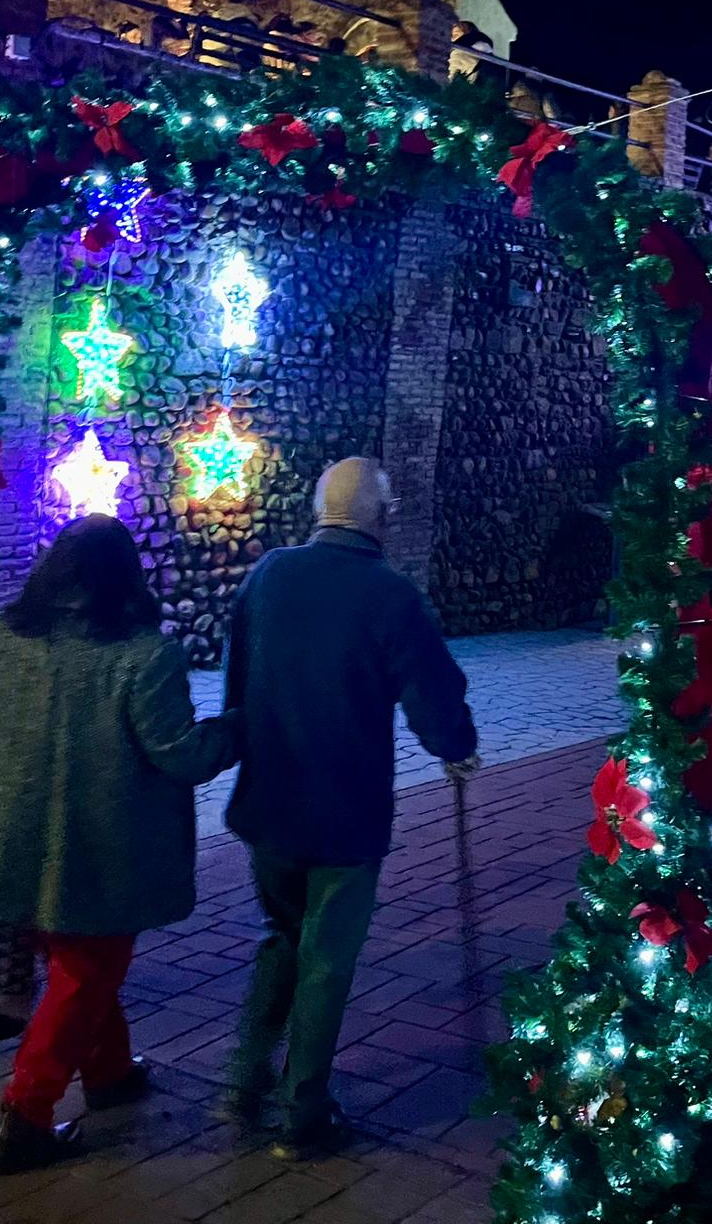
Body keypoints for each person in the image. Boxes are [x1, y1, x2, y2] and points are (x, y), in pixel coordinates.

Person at [0, 516, 240, 1175]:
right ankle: (25, 1114)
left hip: (15, 840)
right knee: (87, 973)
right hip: (105, 854)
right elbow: (180, 754)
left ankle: (108, 1073)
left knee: (78, 964)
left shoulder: (0, 642)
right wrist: (236, 730)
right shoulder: (143, 654)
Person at [222, 458, 479, 1159]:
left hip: (268, 802)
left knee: (280, 936)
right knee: (326, 959)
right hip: (345, 812)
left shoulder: (268, 574)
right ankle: (301, 1112)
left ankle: (244, 1079)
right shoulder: (388, 594)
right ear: (382, 515)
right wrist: (456, 747)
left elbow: (236, 681)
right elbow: (433, 689)